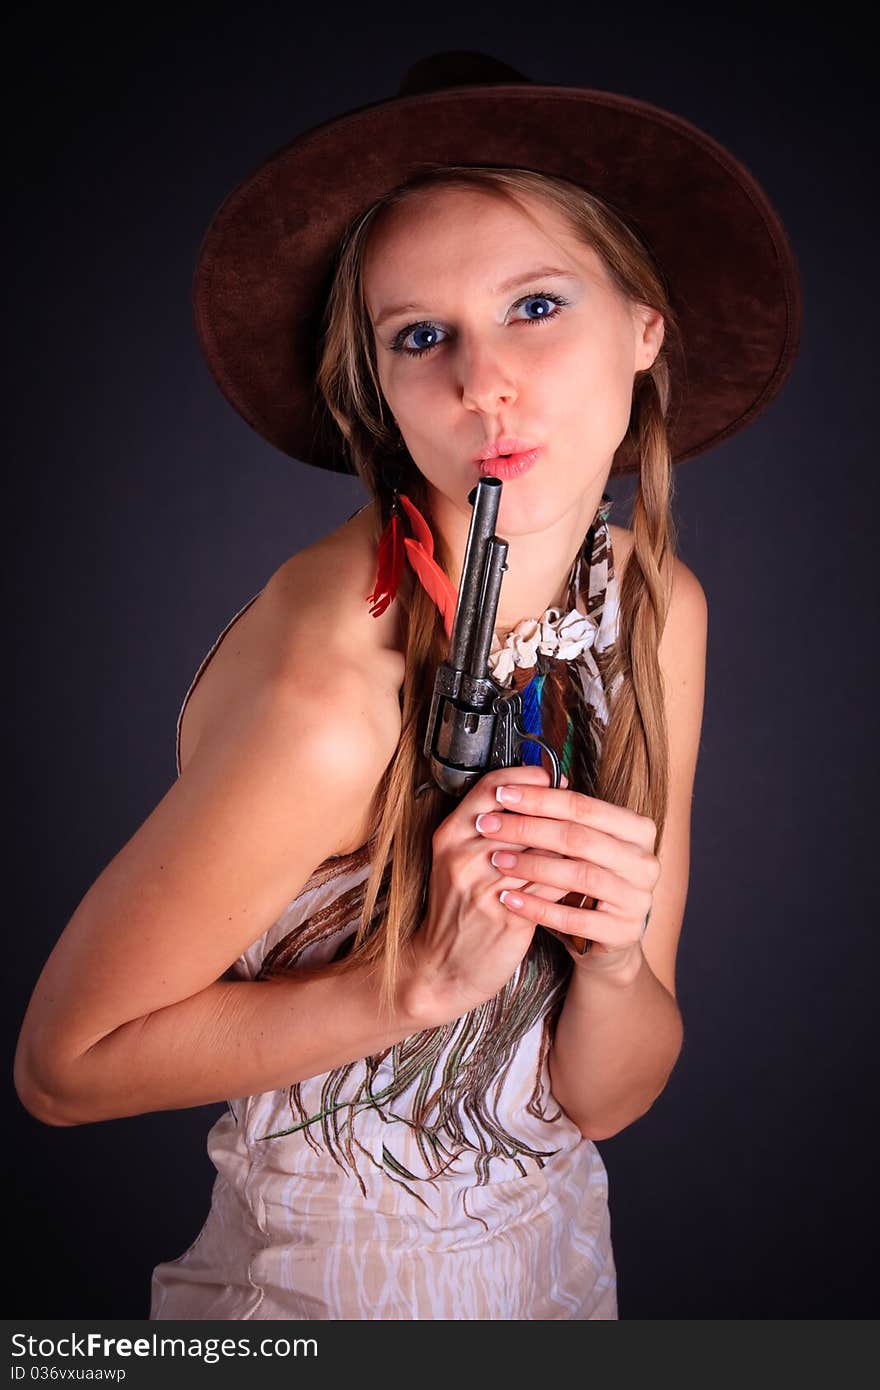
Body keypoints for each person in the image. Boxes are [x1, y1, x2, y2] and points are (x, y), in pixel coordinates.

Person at [13, 51, 802, 1320]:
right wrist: (414, 984)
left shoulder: (650, 613)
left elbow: (604, 1098)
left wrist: (607, 967)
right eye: (420, 335)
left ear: (645, 327)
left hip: (562, 1279)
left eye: (535, 307)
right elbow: (63, 1069)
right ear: (379, 391)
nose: (481, 381)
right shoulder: (340, 698)